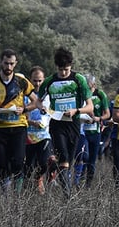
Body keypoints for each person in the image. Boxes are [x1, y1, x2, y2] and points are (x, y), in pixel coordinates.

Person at [0, 49, 40, 189]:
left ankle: (17, 195)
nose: (8, 67)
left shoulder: (22, 82)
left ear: (15, 63)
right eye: (6, 63)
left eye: (12, 64)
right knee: (1, 163)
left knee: (18, 162)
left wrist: (25, 109)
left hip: (19, 126)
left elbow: (36, 102)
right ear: (1, 62)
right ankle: (6, 196)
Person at [36, 48, 93, 190]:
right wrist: (41, 107)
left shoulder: (78, 79)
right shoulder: (49, 81)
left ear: (71, 66)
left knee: (68, 162)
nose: (63, 73)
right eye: (61, 70)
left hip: (73, 123)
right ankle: (67, 196)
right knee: (64, 160)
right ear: (57, 67)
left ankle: (52, 165)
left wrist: (76, 110)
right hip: (57, 124)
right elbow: (38, 100)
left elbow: (90, 107)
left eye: (66, 70)